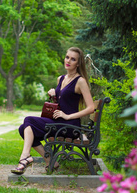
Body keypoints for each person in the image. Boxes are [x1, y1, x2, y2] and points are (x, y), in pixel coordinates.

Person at [12, 47, 94, 175]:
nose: (68, 61)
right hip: (59, 122)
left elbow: (91, 108)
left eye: (73, 59)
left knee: (28, 120)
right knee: (23, 128)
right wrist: (55, 95)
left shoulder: (80, 81)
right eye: (67, 57)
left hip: (70, 125)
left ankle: (25, 157)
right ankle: (50, 161)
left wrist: (67, 116)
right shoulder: (60, 79)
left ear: (78, 63)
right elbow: (63, 103)